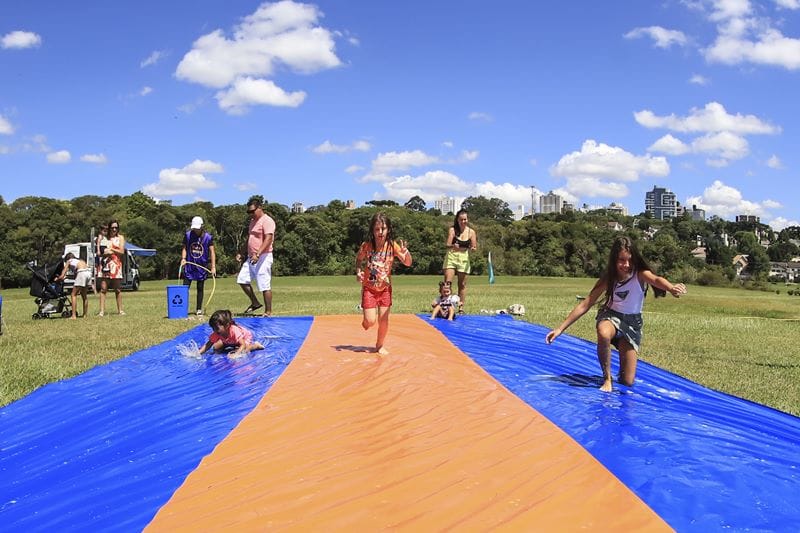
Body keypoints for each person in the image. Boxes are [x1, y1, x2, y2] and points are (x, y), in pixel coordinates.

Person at [544, 236, 687, 392]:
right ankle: (607, 379)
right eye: (621, 260)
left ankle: (620, 373)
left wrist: (671, 288)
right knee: (603, 333)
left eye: (630, 260)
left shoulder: (640, 273)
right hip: (610, 315)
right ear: (614, 260)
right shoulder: (609, 277)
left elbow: (656, 279)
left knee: (628, 381)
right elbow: (586, 303)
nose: (626, 265)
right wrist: (560, 329)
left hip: (632, 324)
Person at [355, 212, 412, 355]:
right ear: (372, 230)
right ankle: (366, 321)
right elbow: (359, 259)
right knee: (370, 322)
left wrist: (406, 253)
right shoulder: (366, 246)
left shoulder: (393, 246)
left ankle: (379, 345)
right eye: (377, 229)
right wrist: (358, 271)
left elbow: (407, 263)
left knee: (384, 320)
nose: (380, 232)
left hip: (385, 289)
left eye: (383, 229)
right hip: (369, 289)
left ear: (388, 230)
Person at [236, 197, 275, 316]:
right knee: (242, 279)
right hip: (251, 256)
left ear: (260, 208)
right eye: (248, 212)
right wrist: (241, 252)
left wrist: (258, 254)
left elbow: (268, 239)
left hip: (263, 256)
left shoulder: (267, 221)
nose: (250, 214)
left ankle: (268, 311)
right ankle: (255, 303)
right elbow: (249, 238)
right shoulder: (252, 221)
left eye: (252, 211)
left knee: (264, 284)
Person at [181, 216, 216, 316]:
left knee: (200, 288)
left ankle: (198, 309)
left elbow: (212, 252)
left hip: (201, 266)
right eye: (194, 228)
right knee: (185, 288)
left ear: (202, 226)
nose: (196, 230)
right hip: (189, 266)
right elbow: (184, 248)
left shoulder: (208, 237)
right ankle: (182, 308)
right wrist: (183, 259)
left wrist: (213, 267)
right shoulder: (187, 235)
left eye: (197, 228)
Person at [443, 209, 477, 313]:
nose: (463, 222)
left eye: (465, 219)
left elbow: (474, 247)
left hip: (464, 259)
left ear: (467, 219)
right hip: (452, 256)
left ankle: (461, 308)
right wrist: (453, 246)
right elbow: (447, 245)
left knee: (462, 284)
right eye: (461, 219)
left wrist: (472, 248)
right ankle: (446, 306)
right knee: (447, 283)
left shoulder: (471, 232)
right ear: (457, 220)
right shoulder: (452, 230)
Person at [199, 309, 264, 356]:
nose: (214, 330)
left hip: (244, 337)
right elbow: (208, 345)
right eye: (213, 328)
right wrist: (199, 353)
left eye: (216, 328)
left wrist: (236, 354)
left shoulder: (234, 330)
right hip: (230, 340)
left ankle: (256, 346)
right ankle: (233, 345)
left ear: (227, 325)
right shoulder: (217, 332)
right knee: (216, 347)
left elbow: (243, 344)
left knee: (244, 350)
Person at [99, 219, 125, 316]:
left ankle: (120, 310)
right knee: (103, 288)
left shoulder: (120, 238)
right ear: (109, 228)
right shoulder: (105, 238)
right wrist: (106, 252)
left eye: (116, 228)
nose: (114, 229)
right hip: (106, 264)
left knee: (117, 289)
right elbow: (101, 252)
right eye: (112, 227)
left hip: (116, 265)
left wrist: (112, 249)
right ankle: (101, 311)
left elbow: (122, 252)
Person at [56, 252, 91, 319]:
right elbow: (76, 276)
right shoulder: (80, 261)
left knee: (73, 294)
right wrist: (67, 277)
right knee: (84, 295)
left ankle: (73, 316)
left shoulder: (69, 261)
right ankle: (85, 315)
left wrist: (57, 279)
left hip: (82, 273)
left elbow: (63, 274)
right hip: (88, 273)